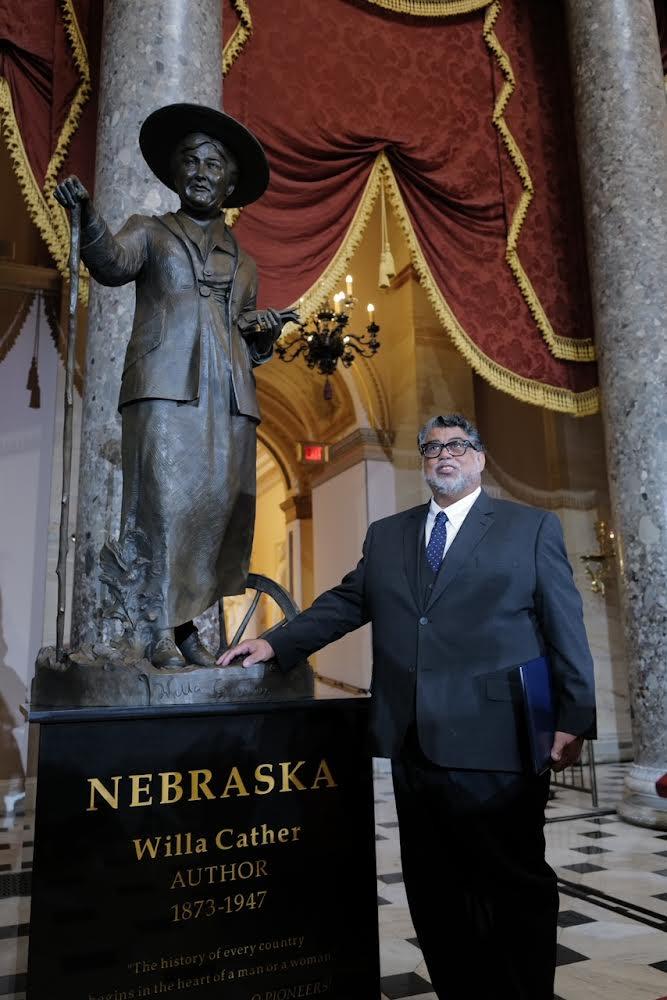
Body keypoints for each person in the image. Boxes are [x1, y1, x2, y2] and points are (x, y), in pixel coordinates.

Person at [219, 413, 597, 1000]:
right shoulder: (389, 534)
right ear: (423, 461)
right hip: (412, 741)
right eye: (432, 448)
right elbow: (347, 602)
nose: (444, 454)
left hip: (497, 738)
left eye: (457, 445)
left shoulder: (530, 528)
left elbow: (564, 626)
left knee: (510, 880)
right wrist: (275, 642)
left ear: (478, 458)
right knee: (434, 887)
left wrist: (575, 719)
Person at [55, 104, 296, 670]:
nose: (202, 172)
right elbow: (110, 264)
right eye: (190, 161)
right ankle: (155, 628)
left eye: (214, 165)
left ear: (231, 183)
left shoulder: (248, 262)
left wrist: (261, 334)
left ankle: (188, 624)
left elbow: (246, 337)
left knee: (215, 509)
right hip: (165, 385)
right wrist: (86, 213)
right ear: (174, 172)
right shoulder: (150, 231)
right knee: (162, 507)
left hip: (229, 394)